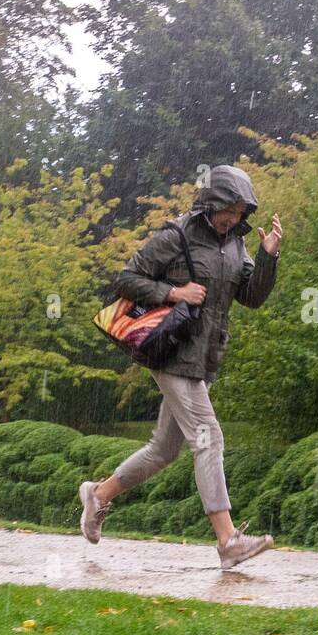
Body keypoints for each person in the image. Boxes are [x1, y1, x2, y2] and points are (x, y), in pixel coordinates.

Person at [79, 164, 283, 568]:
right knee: (210, 437)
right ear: (212, 202)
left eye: (242, 212)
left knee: (163, 450)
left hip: (205, 358)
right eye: (230, 209)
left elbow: (252, 298)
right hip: (172, 353)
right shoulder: (177, 236)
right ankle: (228, 541)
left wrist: (268, 256)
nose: (235, 218)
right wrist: (174, 292)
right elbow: (126, 278)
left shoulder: (236, 245)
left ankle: (98, 495)